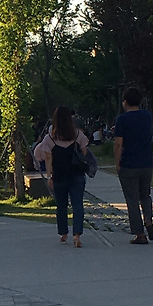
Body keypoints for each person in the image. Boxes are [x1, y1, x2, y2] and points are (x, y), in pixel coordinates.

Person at [112, 87, 153, 245]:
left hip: (129, 163)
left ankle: (140, 233)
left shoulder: (122, 119)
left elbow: (118, 143)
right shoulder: (147, 116)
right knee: (145, 195)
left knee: (132, 199)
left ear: (125, 102)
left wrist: (117, 162)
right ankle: (149, 221)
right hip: (146, 162)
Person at [46, 104, 91, 247]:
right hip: (76, 174)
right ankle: (77, 235)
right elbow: (84, 152)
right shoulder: (77, 135)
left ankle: (63, 233)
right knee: (78, 205)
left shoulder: (50, 138)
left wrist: (49, 176)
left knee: (61, 206)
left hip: (59, 175)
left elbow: (48, 158)